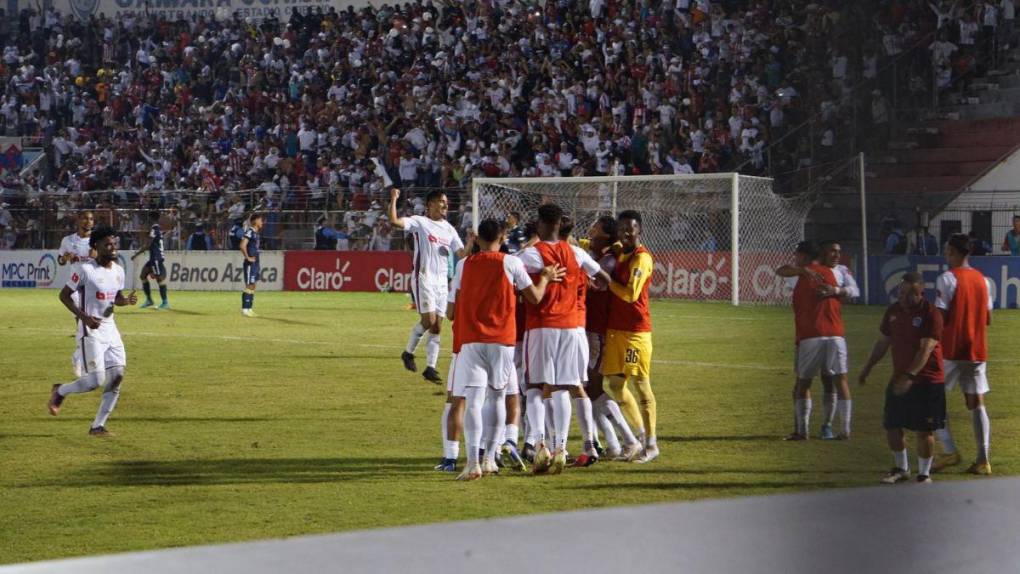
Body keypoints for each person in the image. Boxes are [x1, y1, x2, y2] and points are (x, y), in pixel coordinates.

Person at [447, 219, 563, 480]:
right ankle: (490, 459)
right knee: (497, 398)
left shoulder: (464, 265)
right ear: (503, 237)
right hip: (502, 340)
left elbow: (450, 312)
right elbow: (534, 297)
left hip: (471, 340)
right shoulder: (511, 263)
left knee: (474, 402)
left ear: (477, 239)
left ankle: (472, 463)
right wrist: (545, 278)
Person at [518, 203, 611, 474]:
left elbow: (508, 266)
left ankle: (539, 445)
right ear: (561, 224)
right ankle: (569, 446)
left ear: (540, 224)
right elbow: (603, 278)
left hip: (543, 325)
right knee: (565, 386)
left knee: (535, 385)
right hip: (573, 328)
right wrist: (589, 285)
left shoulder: (534, 254)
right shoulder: (576, 252)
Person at [47, 226, 138, 436]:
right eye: (107, 243)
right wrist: (84, 317)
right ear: (95, 246)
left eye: (114, 243)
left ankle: (98, 426)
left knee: (117, 377)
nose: (112, 247)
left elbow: (115, 298)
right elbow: (64, 296)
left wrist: (126, 301)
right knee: (94, 382)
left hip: (111, 329)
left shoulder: (118, 270)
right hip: (91, 332)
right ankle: (60, 391)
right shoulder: (85, 270)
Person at [859, 272, 946, 484]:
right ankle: (901, 468)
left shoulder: (931, 314)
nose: (904, 297)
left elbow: (925, 349)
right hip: (899, 379)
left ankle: (924, 474)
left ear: (921, 293)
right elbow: (882, 342)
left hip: (927, 380)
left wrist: (910, 376)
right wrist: (868, 367)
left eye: (910, 293)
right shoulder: (893, 311)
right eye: (901, 292)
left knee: (924, 430)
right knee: (892, 425)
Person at [775, 240, 857, 441]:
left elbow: (780, 271)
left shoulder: (798, 275)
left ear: (802, 256)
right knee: (839, 380)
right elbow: (851, 293)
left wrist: (801, 271)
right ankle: (844, 430)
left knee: (803, 384)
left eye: (797, 255)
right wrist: (837, 291)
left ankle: (802, 431)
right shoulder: (832, 272)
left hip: (811, 334)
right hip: (836, 334)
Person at [389, 188, 473, 384]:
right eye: (442, 201)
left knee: (437, 326)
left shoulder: (449, 229)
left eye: (446, 202)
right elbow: (394, 221)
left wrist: (470, 241)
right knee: (429, 320)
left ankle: (430, 368)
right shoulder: (420, 222)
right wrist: (393, 199)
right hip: (423, 278)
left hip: (442, 283)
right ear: (430, 205)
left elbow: (462, 256)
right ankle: (408, 352)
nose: (446, 205)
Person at [932, 233, 994, 475]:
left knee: (932, 399)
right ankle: (983, 459)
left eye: (948, 250)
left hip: (951, 349)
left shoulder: (947, 278)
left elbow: (940, 317)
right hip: (977, 350)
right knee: (976, 403)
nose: (946, 255)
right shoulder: (984, 280)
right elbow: (988, 318)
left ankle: (949, 451)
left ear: (955, 252)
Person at [601, 210, 659, 463]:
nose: (625, 233)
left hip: (635, 334)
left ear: (639, 231)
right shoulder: (620, 251)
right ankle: (639, 435)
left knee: (641, 385)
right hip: (615, 332)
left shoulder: (642, 259)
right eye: (622, 228)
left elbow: (630, 295)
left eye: (630, 229)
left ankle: (652, 444)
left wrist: (606, 280)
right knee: (615, 385)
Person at [583, 215, 642, 462]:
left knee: (593, 388)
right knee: (588, 389)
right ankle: (615, 445)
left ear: (606, 235)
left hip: (599, 331)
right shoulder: (600, 256)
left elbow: (594, 286)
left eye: (596, 227)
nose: (591, 230)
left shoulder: (607, 261)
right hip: (590, 330)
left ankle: (629, 440)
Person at [58, 210, 94, 376]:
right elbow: (60, 260)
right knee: (83, 322)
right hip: (75, 286)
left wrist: (98, 254)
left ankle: (79, 356)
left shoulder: (97, 240)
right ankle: (82, 361)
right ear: (78, 220)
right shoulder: (68, 240)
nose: (88, 221)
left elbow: (108, 258)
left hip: (94, 287)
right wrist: (65, 258)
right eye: (85, 218)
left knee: (88, 326)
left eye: (91, 219)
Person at [133, 214, 169, 309]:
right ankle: (149, 300)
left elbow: (148, 244)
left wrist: (137, 254)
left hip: (156, 258)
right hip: (153, 258)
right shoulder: (157, 229)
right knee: (143, 275)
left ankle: (165, 302)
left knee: (159, 278)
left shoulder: (154, 228)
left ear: (151, 219)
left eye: (148, 219)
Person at [240, 213, 264, 318]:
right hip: (250, 263)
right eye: (260, 220)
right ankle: (245, 309)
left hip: (256, 262)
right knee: (249, 285)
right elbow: (242, 245)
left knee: (253, 285)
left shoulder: (255, 233)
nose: (262, 222)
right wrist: (247, 257)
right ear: (255, 221)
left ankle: (249, 308)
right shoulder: (250, 231)